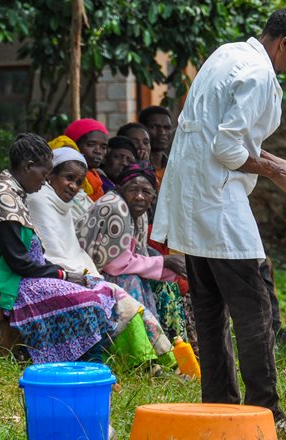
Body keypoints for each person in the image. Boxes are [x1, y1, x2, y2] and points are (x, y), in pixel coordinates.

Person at [151, 7, 286, 423]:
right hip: (217, 204)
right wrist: (274, 169)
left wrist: (275, 158)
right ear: (283, 43)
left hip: (193, 198)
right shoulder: (260, 74)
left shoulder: (226, 54)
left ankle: (219, 404)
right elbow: (226, 150)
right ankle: (266, 410)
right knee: (254, 309)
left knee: (208, 309)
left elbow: (219, 134)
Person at [0, 133, 118, 364]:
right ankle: (83, 366)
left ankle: (82, 363)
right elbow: (19, 262)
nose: (45, 181)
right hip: (7, 283)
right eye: (44, 175)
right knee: (88, 301)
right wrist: (63, 274)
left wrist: (61, 273)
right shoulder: (2, 195)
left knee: (101, 289)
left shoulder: (12, 189)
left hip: (20, 275)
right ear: (28, 167)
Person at [26, 147, 175, 369]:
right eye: (68, 178)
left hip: (74, 271)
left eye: (78, 181)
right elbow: (54, 253)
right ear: (50, 175)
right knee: (120, 290)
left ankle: (153, 357)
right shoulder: (41, 200)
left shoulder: (61, 205)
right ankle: (137, 360)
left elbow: (73, 251)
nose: (73, 186)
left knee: (128, 291)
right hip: (51, 274)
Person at [77, 162, 190, 344]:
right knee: (131, 281)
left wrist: (165, 267)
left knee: (165, 286)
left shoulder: (139, 214)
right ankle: (140, 347)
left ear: (153, 196)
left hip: (110, 271)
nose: (139, 196)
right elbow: (113, 264)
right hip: (89, 275)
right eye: (133, 190)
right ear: (120, 189)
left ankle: (175, 345)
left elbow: (139, 255)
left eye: (146, 192)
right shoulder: (116, 207)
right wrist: (163, 262)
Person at [64, 118, 109, 202]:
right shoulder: (65, 179)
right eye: (91, 144)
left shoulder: (98, 177)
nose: (98, 151)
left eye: (103, 147)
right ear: (74, 144)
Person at [138, 106, 173, 182]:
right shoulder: (134, 166)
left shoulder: (175, 167)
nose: (162, 132)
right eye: (154, 127)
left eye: (167, 128)